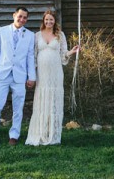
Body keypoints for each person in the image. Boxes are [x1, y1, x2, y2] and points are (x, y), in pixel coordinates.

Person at [0, 6, 36, 146]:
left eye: (25, 17)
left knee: (18, 108)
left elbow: (30, 58)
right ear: (14, 15)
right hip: (1, 75)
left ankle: (14, 136)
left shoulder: (30, 35)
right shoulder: (1, 31)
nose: (22, 19)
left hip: (20, 76)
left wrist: (32, 77)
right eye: (20, 16)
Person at [25, 9, 79, 146]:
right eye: (46, 19)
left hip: (55, 73)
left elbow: (63, 54)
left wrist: (71, 52)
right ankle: (40, 134)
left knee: (54, 101)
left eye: (51, 19)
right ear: (43, 21)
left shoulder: (60, 35)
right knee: (42, 101)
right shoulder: (37, 35)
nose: (49, 22)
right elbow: (33, 56)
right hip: (42, 74)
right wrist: (32, 74)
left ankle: (53, 134)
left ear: (55, 21)